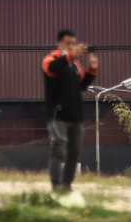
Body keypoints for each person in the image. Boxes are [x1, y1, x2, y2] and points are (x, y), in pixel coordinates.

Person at [42, 28, 98, 194]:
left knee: (74, 154)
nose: (72, 47)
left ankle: (66, 186)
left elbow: (81, 86)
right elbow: (53, 69)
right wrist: (71, 55)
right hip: (57, 116)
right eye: (68, 44)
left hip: (76, 117)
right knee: (59, 150)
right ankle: (55, 185)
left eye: (74, 43)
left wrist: (91, 70)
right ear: (59, 44)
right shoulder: (51, 59)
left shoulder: (75, 65)